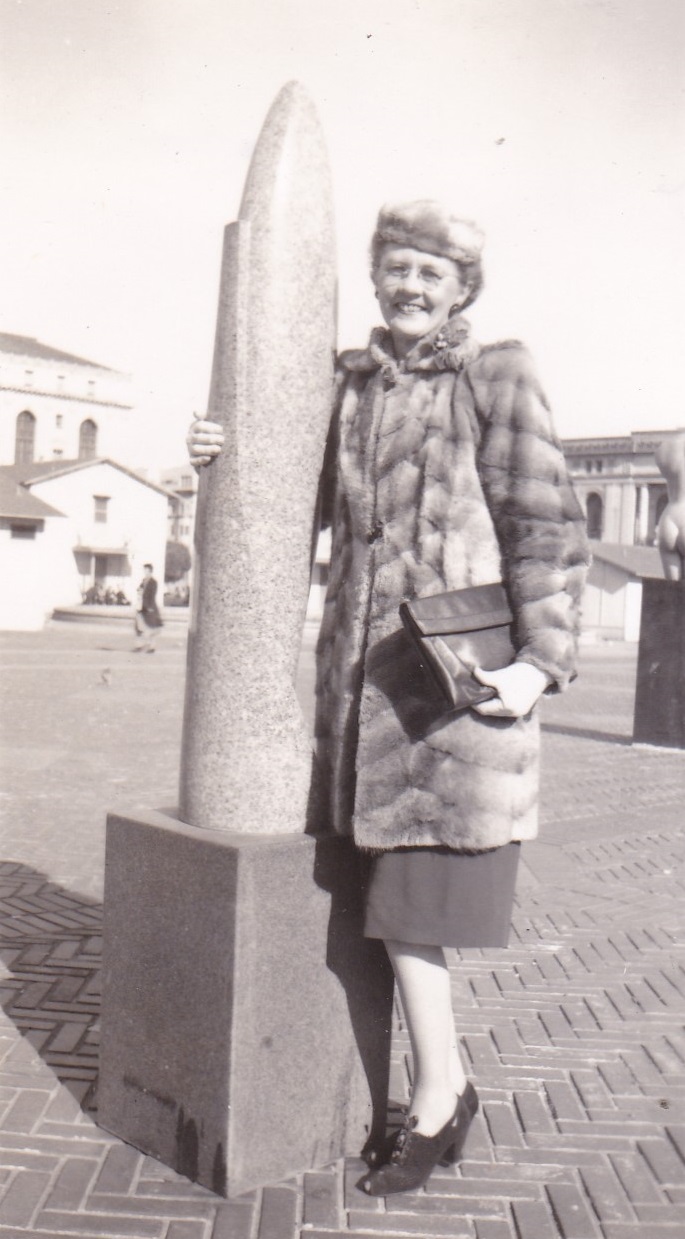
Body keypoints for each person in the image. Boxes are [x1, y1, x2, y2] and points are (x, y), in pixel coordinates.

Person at [188, 200, 590, 1196]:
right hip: (358, 700)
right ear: (376, 279)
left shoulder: (496, 375)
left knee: (413, 911)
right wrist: (217, 457)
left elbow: (544, 527)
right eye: (397, 268)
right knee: (382, 908)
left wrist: (539, 665)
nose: (411, 286)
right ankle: (430, 1093)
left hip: (452, 701)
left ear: (461, 291)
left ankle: (440, 1098)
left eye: (431, 273)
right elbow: (294, 508)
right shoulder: (349, 386)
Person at [133, 563, 163, 652]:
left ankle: (151, 647)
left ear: (150, 571)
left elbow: (152, 595)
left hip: (149, 607)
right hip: (141, 606)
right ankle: (139, 645)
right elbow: (139, 590)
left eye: (146, 570)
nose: (144, 572)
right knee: (138, 627)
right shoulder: (143, 581)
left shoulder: (153, 582)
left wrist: (150, 607)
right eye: (144, 570)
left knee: (151, 627)